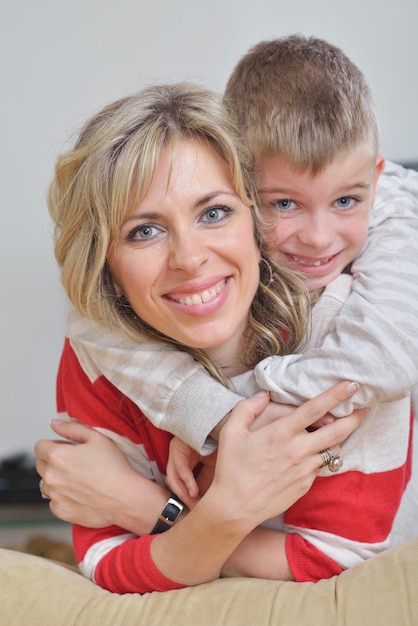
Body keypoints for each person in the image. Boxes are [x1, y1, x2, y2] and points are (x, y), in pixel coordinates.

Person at [36, 36, 416, 580]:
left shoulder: (347, 328)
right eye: (144, 231)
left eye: (212, 213)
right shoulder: (99, 354)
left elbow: (337, 567)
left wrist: (150, 508)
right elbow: (104, 561)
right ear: (105, 261)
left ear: (243, 210)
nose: (189, 259)